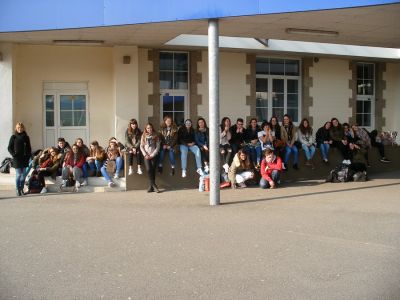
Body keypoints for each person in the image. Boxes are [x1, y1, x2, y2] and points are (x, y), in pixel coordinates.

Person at [8, 122, 32, 196]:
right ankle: (17, 189)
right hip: (17, 159)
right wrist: (14, 154)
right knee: (18, 174)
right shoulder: (13, 137)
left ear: (23, 128)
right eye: (18, 128)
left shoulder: (26, 137)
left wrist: (28, 156)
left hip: (24, 158)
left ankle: (21, 189)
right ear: (16, 128)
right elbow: (9, 147)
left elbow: (29, 148)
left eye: (21, 127)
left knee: (23, 175)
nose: (20, 129)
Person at [140, 123, 161, 193]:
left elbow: (158, 146)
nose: (149, 129)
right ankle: (153, 185)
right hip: (146, 155)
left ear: (152, 128)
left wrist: (152, 155)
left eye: (150, 128)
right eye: (148, 128)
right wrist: (145, 154)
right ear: (146, 129)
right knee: (149, 169)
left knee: (153, 169)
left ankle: (151, 186)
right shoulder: (143, 136)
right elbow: (141, 146)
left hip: (153, 155)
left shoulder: (156, 135)